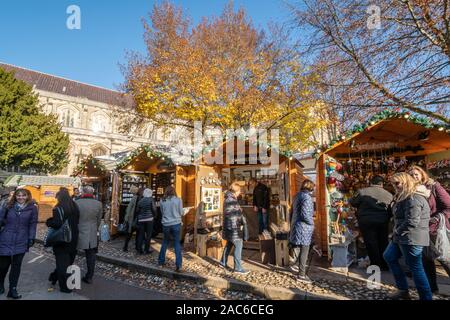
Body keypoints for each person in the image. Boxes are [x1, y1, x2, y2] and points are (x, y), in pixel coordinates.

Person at [383, 172, 432, 300]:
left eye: (397, 183)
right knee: (389, 256)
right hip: (402, 236)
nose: (395, 186)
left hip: (411, 238)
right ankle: (403, 290)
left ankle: (426, 297)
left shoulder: (413, 197)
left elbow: (412, 221)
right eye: (393, 183)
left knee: (416, 268)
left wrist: (396, 231)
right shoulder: (404, 196)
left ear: (406, 181)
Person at [409, 165, 450, 293]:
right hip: (421, 230)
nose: (414, 177)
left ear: (422, 174)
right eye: (411, 175)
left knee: (444, 259)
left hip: (435, 229)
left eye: (416, 174)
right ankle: (432, 288)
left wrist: (437, 218)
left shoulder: (433, 186)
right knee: (426, 260)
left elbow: (449, 206)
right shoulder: (411, 190)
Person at [0, 189, 38, 299]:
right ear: (15, 196)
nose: (20, 197)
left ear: (27, 196)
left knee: (16, 266)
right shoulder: (8, 206)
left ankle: (13, 289)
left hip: (22, 240)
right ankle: (1, 284)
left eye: (23, 195)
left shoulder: (33, 208)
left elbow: (32, 224)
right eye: (18, 195)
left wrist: (31, 237)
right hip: (5, 239)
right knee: (3, 266)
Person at [349, 175, 393, 271]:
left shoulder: (362, 191)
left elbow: (353, 202)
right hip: (383, 221)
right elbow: (391, 210)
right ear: (381, 184)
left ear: (370, 182)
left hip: (366, 221)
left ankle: (375, 265)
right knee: (383, 242)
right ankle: (384, 265)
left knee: (371, 243)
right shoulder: (389, 194)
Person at [46, 188, 80, 293]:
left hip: (61, 239)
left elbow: (56, 224)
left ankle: (65, 287)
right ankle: (54, 277)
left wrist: (48, 222)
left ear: (59, 197)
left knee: (62, 263)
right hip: (73, 237)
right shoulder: (75, 206)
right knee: (68, 261)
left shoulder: (58, 208)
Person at [289, 180, 316, 283]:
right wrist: (312, 223)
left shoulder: (297, 196)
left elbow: (291, 212)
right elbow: (305, 215)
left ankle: (296, 265)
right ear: (310, 188)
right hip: (304, 227)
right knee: (305, 249)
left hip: (297, 225)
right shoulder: (307, 197)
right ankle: (301, 275)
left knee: (301, 248)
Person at [75, 185, 102, 284]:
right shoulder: (98, 204)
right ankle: (89, 276)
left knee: (72, 254)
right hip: (92, 232)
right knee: (91, 256)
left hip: (78, 231)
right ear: (92, 193)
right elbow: (99, 220)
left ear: (83, 192)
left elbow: (74, 218)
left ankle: (67, 274)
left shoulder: (77, 203)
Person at [220, 182, 249, 274]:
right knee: (238, 245)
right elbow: (232, 216)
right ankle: (238, 268)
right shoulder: (231, 200)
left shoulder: (228, 198)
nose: (240, 192)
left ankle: (222, 262)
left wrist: (238, 210)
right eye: (239, 190)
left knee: (229, 244)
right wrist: (237, 225)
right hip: (233, 227)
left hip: (229, 226)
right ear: (236, 191)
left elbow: (231, 212)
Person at [158, 186, 184, 272]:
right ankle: (178, 265)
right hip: (176, 223)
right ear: (174, 191)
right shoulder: (178, 200)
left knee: (165, 242)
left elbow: (162, 212)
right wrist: (185, 211)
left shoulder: (162, 200)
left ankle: (161, 262)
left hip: (166, 224)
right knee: (177, 243)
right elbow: (181, 212)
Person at [135, 188, 156, 254]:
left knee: (140, 235)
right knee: (148, 235)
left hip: (141, 219)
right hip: (149, 219)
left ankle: (139, 250)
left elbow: (137, 211)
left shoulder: (140, 201)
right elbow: (154, 209)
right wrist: (155, 216)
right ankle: (146, 250)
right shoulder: (151, 200)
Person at [123, 186, 139, 252]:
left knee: (129, 234)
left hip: (132, 219)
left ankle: (125, 247)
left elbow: (129, 209)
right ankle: (137, 246)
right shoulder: (139, 197)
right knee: (138, 234)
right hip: (136, 219)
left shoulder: (133, 198)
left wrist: (126, 219)